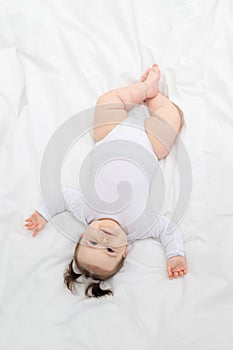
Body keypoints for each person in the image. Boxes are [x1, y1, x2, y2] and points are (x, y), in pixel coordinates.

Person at [24, 64, 188, 298]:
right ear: (124, 252)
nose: (103, 239)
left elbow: (63, 199)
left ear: (83, 234)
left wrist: (42, 214)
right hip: (150, 146)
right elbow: (167, 229)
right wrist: (175, 255)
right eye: (110, 249)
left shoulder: (85, 210)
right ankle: (157, 99)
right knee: (172, 116)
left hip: (109, 135)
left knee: (107, 100)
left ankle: (143, 90)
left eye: (92, 242)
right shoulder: (140, 226)